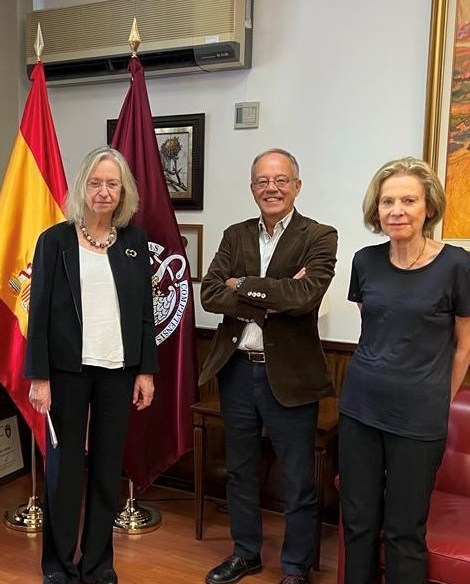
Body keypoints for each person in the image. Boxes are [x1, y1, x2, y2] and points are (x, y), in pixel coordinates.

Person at [339, 157, 470, 584]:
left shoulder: (456, 265)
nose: (396, 210)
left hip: (418, 420)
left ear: (428, 207)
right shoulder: (365, 261)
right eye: (387, 201)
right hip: (360, 410)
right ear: (376, 209)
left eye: (408, 200)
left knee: (404, 531)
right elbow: (375, 329)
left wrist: (438, 397)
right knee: (358, 524)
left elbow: (466, 343)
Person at [199, 148, 338, 584]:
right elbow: (209, 293)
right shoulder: (235, 235)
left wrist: (241, 285)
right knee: (240, 472)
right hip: (237, 370)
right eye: (262, 181)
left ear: (297, 186)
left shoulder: (320, 236)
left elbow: (304, 297)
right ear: (252, 187)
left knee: (297, 479)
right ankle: (246, 554)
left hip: (291, 376)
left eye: (280, 180)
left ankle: (295, 568)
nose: (271, 188)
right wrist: (272, 295)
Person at [26, 146, 158, 584]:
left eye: (112, 184)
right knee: (64, 470)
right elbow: (38, 315)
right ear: (82, 186)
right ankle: (59, 565)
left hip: (118, 371)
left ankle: (98, 563)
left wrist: (145, 370)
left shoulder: (134, 242)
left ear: (123, 192)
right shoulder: (54, 241)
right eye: (96, 183)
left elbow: (145, 313)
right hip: (67, 371)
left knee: (106, 468)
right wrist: (39, 377)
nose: (103, 192)